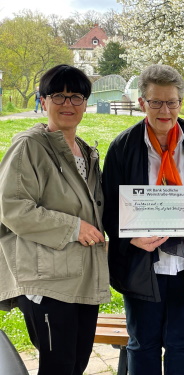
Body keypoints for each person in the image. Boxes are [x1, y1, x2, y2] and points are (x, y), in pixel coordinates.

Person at [102, 64, 184, 375]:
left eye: (171, 102)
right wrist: (129, 237)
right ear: (142, 103)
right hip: (142, 265)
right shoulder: (123, 147)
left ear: (180, 103)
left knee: (183, 344)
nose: (164, 110)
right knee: (142, 344)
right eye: (156, 102)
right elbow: (106, 206)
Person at [0, 64, 109, 375]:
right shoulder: (29, 146)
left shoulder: (86, 151)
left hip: (83, 276)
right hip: (47, 280)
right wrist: (73, 228)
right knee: (58, 366)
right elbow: (13, 209)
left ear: (86, 103)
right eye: (58, 96)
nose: (68, 105)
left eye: (76, 97)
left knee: (77, 363)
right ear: (43, 101)